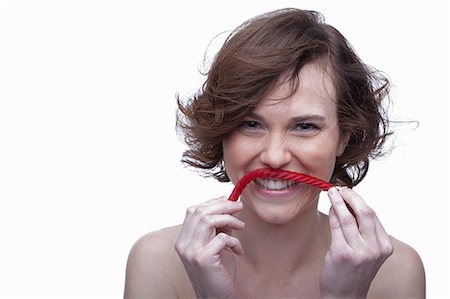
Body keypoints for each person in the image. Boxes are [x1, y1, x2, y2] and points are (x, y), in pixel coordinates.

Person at [124, 8, 425, 298]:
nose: (275, 156)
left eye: (305, 126)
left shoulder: (395, 272)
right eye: (251, 124)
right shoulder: (158, 264)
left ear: (343, 137)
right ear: (221, 131)